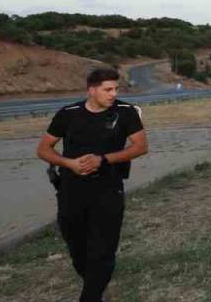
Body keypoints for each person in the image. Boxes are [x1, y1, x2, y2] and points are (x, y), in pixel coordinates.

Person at [36, 68, 148, 302]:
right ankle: (97, 288)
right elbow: (43, 149)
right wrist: (69, 163)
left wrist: (103, 159)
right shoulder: (69, 114)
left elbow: (140, 147)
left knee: (103, 249)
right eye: (108, 89)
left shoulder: (126, 112)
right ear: (91, 90)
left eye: (116, 89)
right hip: (71, 189)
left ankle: (91, 296)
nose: (113, 94)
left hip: (108, 188)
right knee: (78, 250)